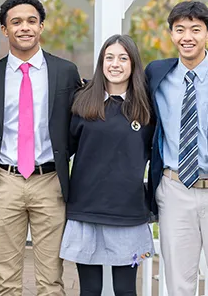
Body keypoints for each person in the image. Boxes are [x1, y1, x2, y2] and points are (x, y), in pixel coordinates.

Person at [0, 0, 81, 296]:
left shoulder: (65, 72)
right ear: (5, 30)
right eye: (16, 22)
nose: (25, 28)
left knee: (51, 281)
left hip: (50, 182)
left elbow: (76, 127)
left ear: (41, 26)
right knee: (6, 281)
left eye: (32, 21)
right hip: (5, 182)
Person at [146, 0, 208, 295]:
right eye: (179, 30)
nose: (186, 36)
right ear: (171, 34)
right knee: (178, 283)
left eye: (195, 29)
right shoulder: (157, 74)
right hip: (175, 190)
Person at [60, 34, 154, 296]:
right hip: (86, 211)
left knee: (126, 290)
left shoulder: (146, 107)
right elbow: (64, 149)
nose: (116, 64)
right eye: (109, 57)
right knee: (89, 291)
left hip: (128, 214)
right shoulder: (82, 103)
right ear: (101, 62)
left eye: (123, 58)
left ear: (133, 64)